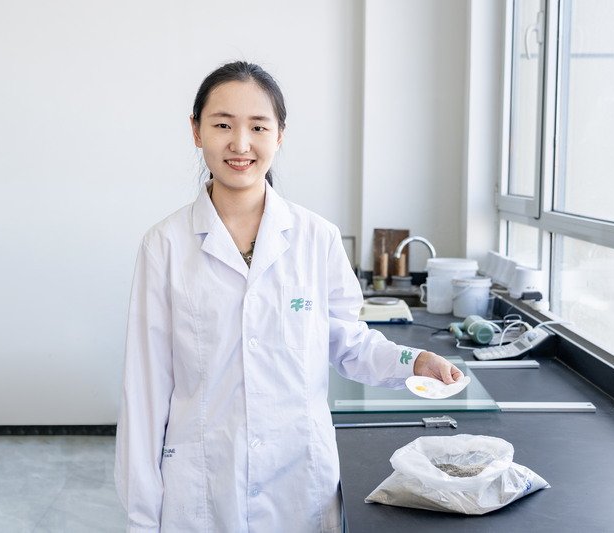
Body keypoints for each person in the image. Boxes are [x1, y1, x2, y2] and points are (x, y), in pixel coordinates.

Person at [114, 60, 463, 532]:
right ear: (196, 132)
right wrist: (140, 518)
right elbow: (145, 392)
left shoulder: (316, 239)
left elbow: (349, 344)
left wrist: (413, 362)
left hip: (299, 482)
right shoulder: (165, 245)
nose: (240, 144)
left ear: (279, 135)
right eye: (222, 125)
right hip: (201, 485)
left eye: (258, 126)